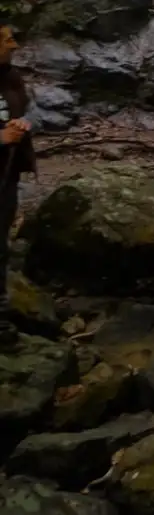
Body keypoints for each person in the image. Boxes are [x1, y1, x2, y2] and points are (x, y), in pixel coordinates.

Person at [0, 22, 34, 308]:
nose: (14, 46)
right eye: (8, 41)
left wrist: (21, 122)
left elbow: (25, 108)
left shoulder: (10, 77)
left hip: (6, 173)